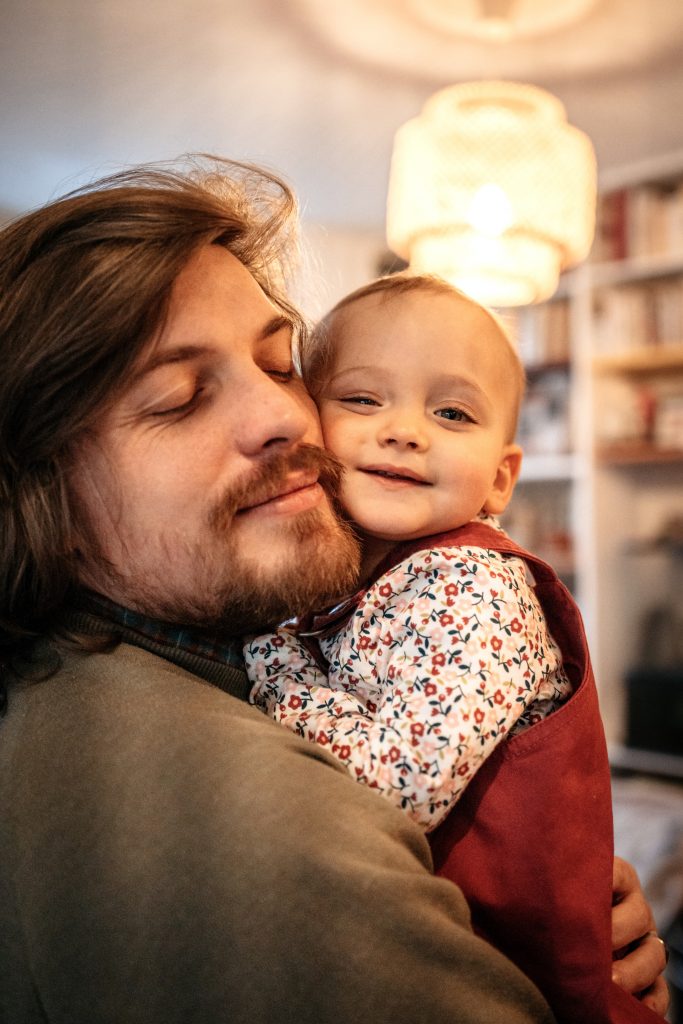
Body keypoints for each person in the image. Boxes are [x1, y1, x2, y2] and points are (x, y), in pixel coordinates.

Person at [0, 157, 667, 1024]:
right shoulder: (256, 826)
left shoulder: (166, 655)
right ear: (41, 495)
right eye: (178, 397)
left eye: (281, 367)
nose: (289, 418)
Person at [246, 274, 670, 1023]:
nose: (405, 429)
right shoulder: (357, 581)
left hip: (534, 983)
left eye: (450, 411)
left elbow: (391, 796)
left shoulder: (466, 586)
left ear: (500, 478)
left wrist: (272, 663)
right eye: (362, 399)